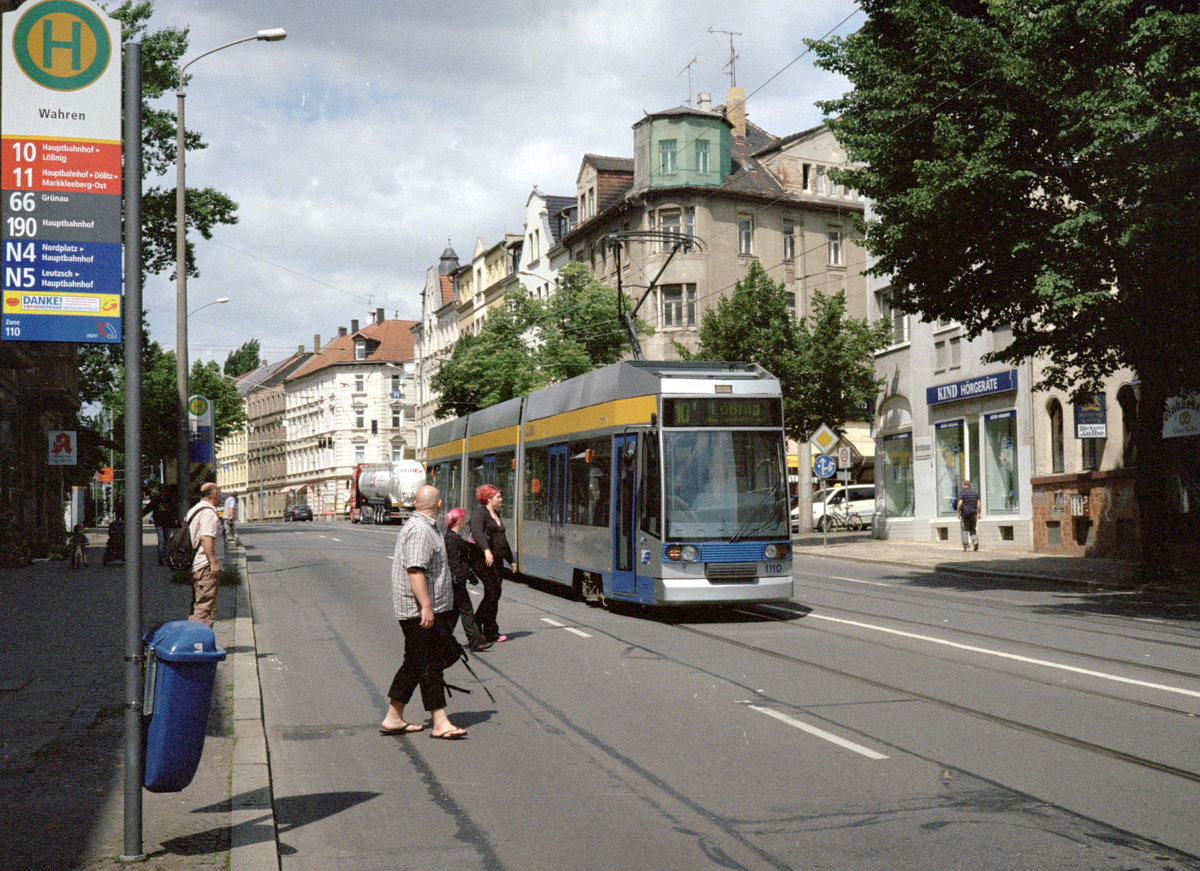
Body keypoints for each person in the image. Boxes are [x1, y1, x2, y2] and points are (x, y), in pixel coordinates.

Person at [380, 485, 468, 740]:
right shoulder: (420, 530)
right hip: (418, 610)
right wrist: (427, 607)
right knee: (427, 664)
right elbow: (415, 570)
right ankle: (439, 722)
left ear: (417, 504)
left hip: (419, 609)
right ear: (439, 505)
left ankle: (394, 716)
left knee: (418, 663)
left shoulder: (422, 526)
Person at [443, 507, 491, 653]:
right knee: (466, 611)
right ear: (458, 521)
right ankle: (474, 641)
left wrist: (470, 576)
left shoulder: (454, 538)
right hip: (456, 582)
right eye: (463, 519)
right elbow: (453, 561)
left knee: (456, 613)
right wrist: (460, 577)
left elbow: (462, 561)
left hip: (459, 580)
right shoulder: (450, 539)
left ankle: (442, 641)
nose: (466, 522)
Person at [470, 484, 512, 644]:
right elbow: (477, 532)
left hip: (497, 560)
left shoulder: (496, 514)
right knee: (492, 592)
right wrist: (486, 550)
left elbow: (502, 538)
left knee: (495, 594)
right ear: (488, 498)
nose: (501, 499)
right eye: (498, 497)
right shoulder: (480, 513)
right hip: (482, 560)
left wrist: (511, 560)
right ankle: (476, 625)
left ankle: (490, 631)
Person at [186, 482, 224, 627]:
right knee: (205, 608)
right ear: (214, 494)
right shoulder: (208, 513)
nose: (220, 496)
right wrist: (213, 562)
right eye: (219, 493)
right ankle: (197, 644)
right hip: (205, 566)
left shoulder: (194, 510)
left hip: (196, 564)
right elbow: (206, 538)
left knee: (200, 604)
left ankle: (199, 643)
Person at [143, 487, 177, 566]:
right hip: (159, 522)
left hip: (167, 522)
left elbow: (174, 509)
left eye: (164, 492)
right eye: (161, 492)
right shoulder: (156, 500)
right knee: (161, 540)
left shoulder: (169, 500)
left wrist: (175, 519)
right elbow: (148, 508)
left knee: (166, 540)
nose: (162, 493)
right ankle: (161, 558)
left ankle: (166, 557)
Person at [957, 478, 980, 551]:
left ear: (963, 485)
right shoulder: (974, 493)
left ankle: (966, 547)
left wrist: (958, 513)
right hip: (973, 514)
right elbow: (978, 504)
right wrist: (979, 513)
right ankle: (975, 541)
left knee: (964, 530)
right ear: (969, 485)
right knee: (973, 529)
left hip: (965, 514)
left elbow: (960, 503)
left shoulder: (962, 492)